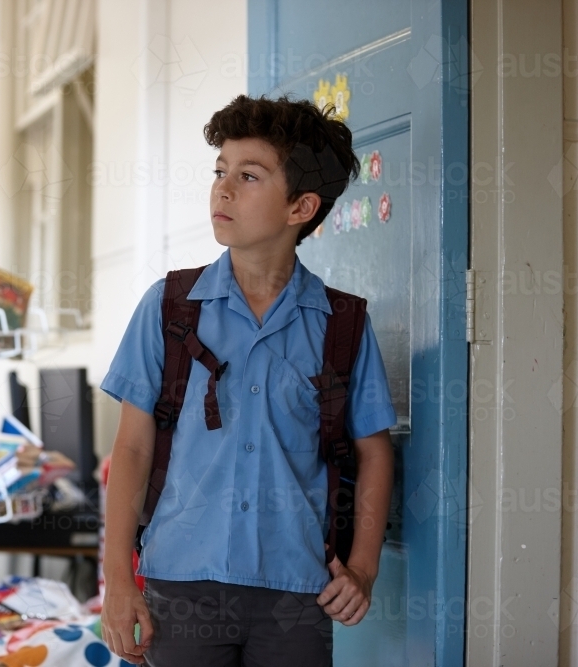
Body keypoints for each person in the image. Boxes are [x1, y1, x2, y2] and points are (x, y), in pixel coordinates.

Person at [99, 94, 396, 666]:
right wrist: (118, 579)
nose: (223, 188)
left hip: (295, 591)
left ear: (300, 206)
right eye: (220, 171)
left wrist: (362, 567)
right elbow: (132, 448)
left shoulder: (342, 325)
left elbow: (374, 452)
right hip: (179, 584)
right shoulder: (168, 308)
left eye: (249, 175)